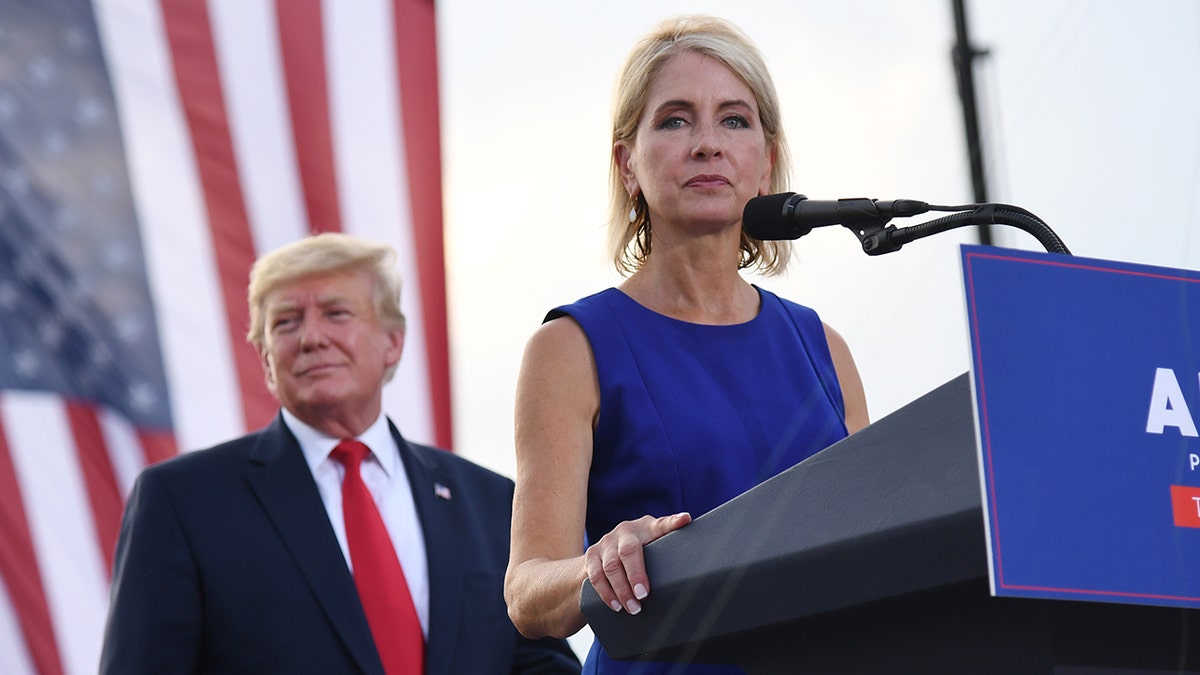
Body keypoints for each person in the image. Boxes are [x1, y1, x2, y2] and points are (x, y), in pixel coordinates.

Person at [504, 14, 870, 674]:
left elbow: (879, 539)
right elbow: (528, 593)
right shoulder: (570, 347)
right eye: (675, 120)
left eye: (734, 120)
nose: (708, 144)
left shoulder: (825, 347)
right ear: (627, 163)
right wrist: (600, 563)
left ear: (766, 162)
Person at [100, 233, 580, 674]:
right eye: (286, 322)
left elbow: (540, 664)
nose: (311, 337)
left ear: (393, 342)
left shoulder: (491, 502)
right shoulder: (184, 502)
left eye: (336, 313)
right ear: (266, 358)